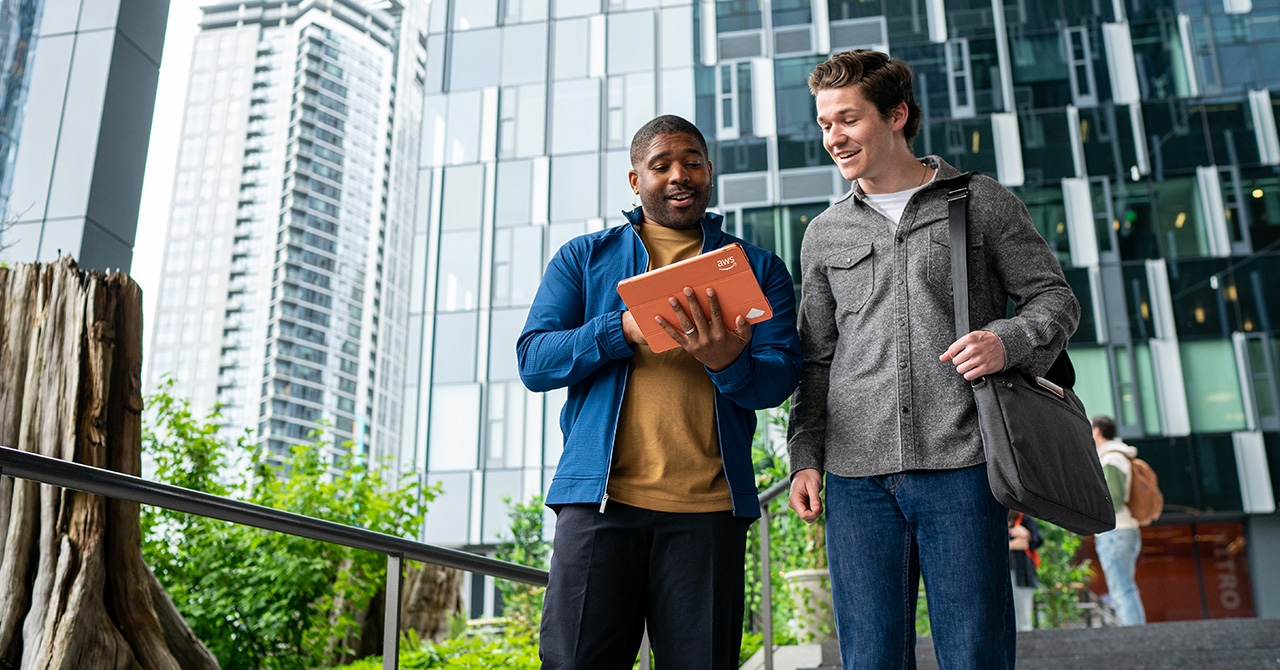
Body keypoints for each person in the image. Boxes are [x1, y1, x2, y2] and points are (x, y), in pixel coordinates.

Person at [785, 50, 1080, 669]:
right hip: (855, 478)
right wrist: (805, 458)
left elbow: (1054, 298)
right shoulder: (824, 233)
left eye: (847, 119)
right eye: (824, 124)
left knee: (974, 655)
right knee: (869, 659)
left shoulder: (980, 202)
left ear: (897, 115)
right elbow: (815, 359)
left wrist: (1008, 340)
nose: (833, 138)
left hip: (965, 464)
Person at [517, 114, 802, 670]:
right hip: (600, 506)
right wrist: (621, 329)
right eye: (662, 164)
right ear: (634, 180)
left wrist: (729, 363)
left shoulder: (758, 268)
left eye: (692, 162)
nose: (679, 175)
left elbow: (781, 378)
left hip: (710, 514)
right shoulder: (584, 257)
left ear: (709, 172)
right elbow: (535, 361)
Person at [1091, 415, 1147, 626]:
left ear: (1097, 432)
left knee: (1122, 588)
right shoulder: (1116, 455)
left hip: (1115, 532)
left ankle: (1133, 635)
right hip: (1123, 531)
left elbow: (1112, 498)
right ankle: (1133, 632)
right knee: (1123, 586)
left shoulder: (1111, 457)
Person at [1008, 511, 1043, 632]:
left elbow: (1037, 540)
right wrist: (1012, 545)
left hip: (1022, 575)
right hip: (999, 574)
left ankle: (1024, 648)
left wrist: (1028, 535)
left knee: (1023, 619)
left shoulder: (1025, 518)